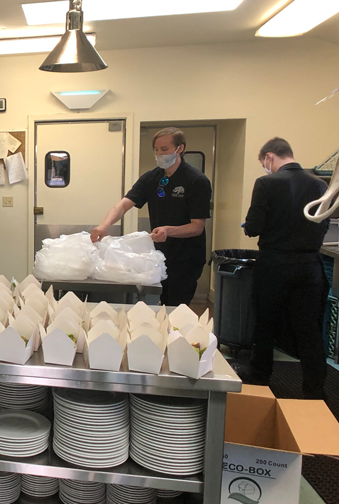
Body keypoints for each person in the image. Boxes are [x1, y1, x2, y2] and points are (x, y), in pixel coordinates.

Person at [232, 138, 329, 399]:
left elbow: (253, 227)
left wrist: (249, 225)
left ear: (270, 157)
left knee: (265, 322)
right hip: (309, 266)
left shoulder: (267, 183)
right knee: (308, 328)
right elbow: (322, 223)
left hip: (274, 264)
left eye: (264, 162)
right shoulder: (320, 184)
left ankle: (260, 374)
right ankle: (314, 388)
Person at [91, 127, 212, 306]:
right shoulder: (152, 178)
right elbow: (124, 204)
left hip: (186, 258)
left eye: (164, 149)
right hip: (159, 255)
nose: (159, 154)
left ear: (180, 148)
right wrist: (104, 225)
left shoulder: (197, 181)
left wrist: (168, 230)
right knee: (161, 304)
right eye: (156, 150)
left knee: (176, 306)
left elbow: (197, 227)